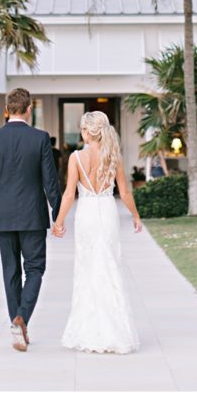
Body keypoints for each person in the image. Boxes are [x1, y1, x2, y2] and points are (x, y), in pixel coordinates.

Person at [0, 87, 61, 353]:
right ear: (29, 109)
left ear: (7, 109)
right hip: (33, 216)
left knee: (10, 271)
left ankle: (17, 323)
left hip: (3, 217)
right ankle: (21, 319)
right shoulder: (40, 138)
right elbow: (51, 182)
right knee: (34, 270)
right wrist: (58, 215)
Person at [52, 110, 142, 354]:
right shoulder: (113, 156)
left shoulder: (76, 158)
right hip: (106, 210)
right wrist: (135, 215)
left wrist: (58, 221)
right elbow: (124, 193)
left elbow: (70, 194)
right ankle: (115, 331)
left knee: (88, 268)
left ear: (85, 131)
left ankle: (89, 330)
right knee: (110, 265)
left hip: (87, 214)